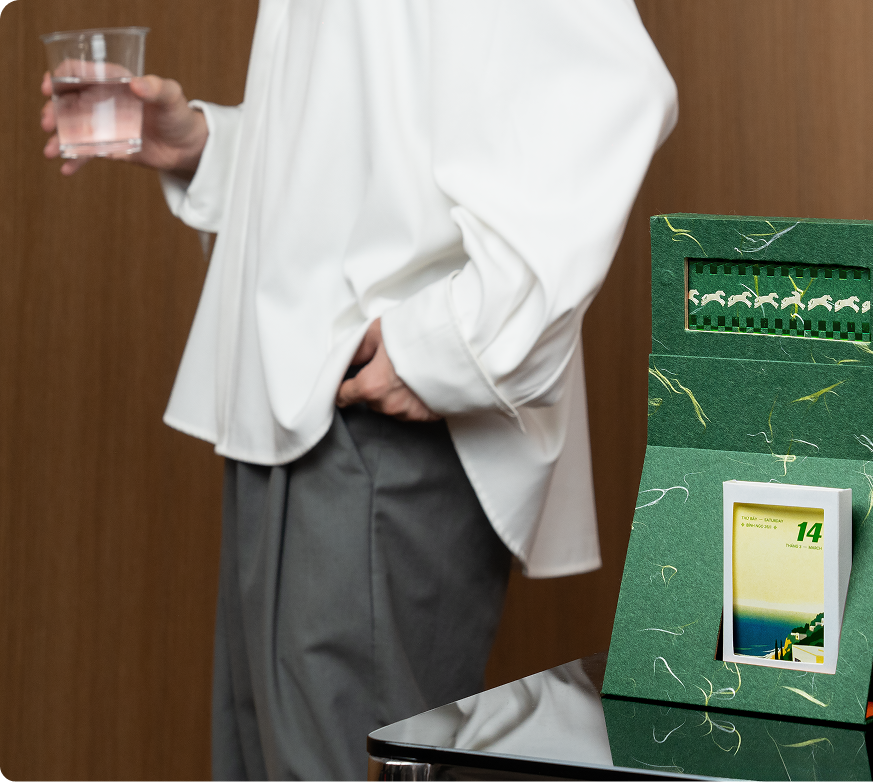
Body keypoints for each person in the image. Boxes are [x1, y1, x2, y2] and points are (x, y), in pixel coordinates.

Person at [40, 3, 677, 781]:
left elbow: (613, 87)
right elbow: (363, 153)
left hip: (370, 425)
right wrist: (208, 149)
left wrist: (453, 344)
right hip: (296, 410)